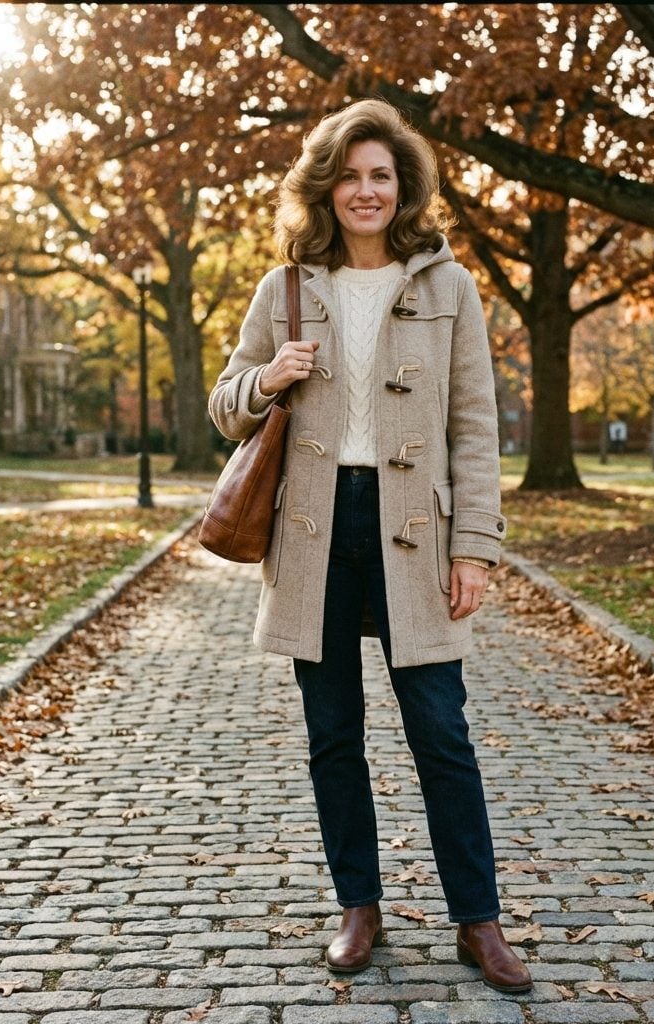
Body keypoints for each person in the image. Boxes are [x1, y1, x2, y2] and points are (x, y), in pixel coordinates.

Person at [209, 99, 531, 994]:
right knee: (332, 736)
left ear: (404, 187)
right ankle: (360, 906)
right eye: (349, 175)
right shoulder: (285, 288)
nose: (365, 191)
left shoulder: (449, 285)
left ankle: (479, 921)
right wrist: (266, 378)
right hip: (314, 529)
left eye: (380, 175)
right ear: (326, 186)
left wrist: (476, 547)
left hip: (414, 530)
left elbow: (475, 428)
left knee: (441, 731)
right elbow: (224, 401)